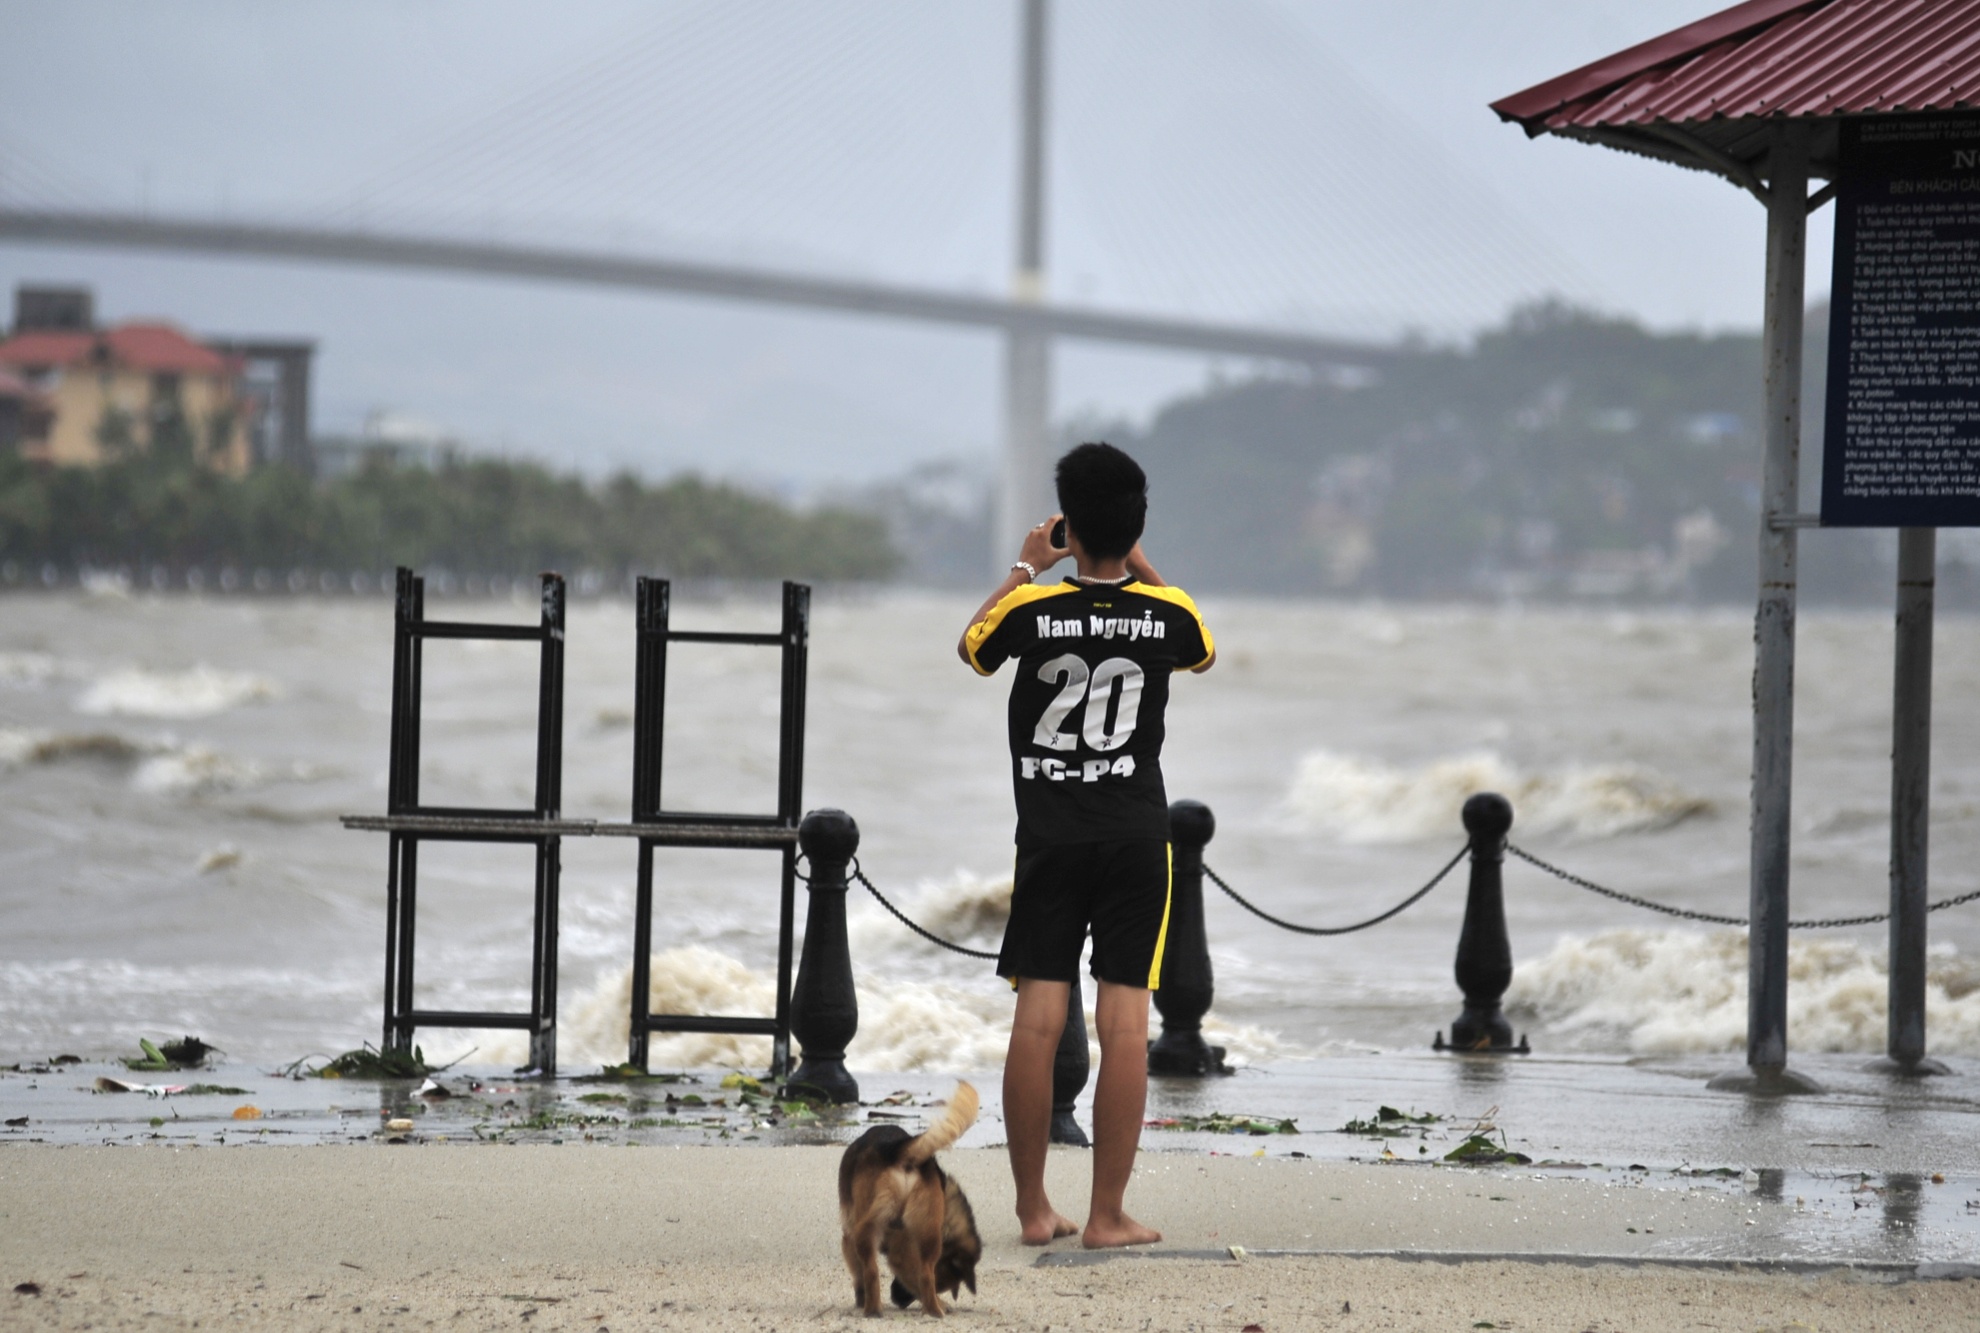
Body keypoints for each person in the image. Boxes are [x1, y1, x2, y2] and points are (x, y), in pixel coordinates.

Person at [956, 442, 1215, 1249]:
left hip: (1051, 836)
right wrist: (1134, 556)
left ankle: (1034, 1209)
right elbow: (1201, 645)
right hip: (1137, 835)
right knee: (1126, 1022)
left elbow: (972, 645)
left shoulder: (1028, 613)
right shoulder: (1168, 613)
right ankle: (1107, 1214)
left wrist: (1026, 566)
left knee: (1038, 1019)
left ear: (1066, 523)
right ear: (1136, 525)